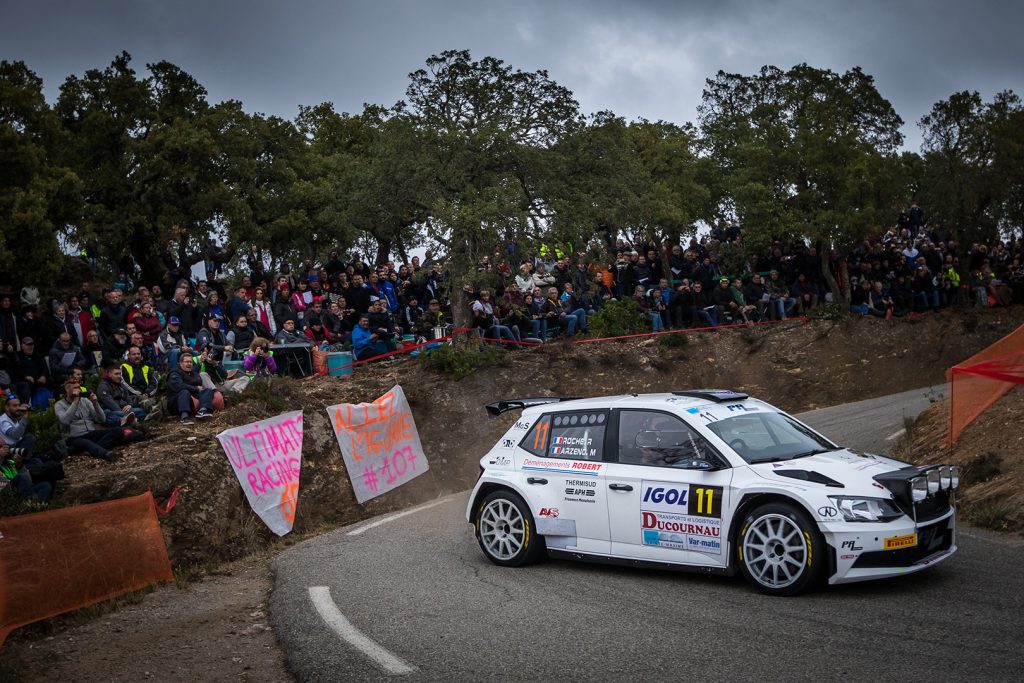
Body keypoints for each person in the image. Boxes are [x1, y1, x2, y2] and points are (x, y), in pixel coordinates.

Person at [54, 381, 125, 461]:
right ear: (67, 389)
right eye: (75, 388)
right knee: (85, 443)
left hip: (91, 433)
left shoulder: (85, 401)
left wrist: (95, 403)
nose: (78, 390)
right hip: (74, 438)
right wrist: (75, 403)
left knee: (118, 431)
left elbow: (101, 419)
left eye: (79, 387)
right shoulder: (59, 405)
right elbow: (65, 421)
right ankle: (106, 454)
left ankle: (91, 450)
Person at [167, 354, 218, 425]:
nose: (189, 364)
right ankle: (184, 417)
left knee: (207, 390)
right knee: (185, 391)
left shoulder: (191, 373)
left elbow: (197, 379)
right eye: (186, 362)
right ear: (181, 363)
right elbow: (178, 386)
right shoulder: (175, 372)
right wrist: (196, 388)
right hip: (176, 402)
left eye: (191, 362)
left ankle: (202, 410)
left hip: (191, 399)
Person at [12, 337, 50, 406]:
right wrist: (26, 376)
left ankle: (53, 404)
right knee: (26, 385)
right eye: (28, 345)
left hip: (38, 379)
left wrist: (43, 376)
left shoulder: (37, 355)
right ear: (22, 346)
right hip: (25, 380)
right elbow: (15, 370)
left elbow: (44, 368)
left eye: (32, 345)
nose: (30, 347)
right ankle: (28, 406)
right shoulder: (17, 355)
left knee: (51, 380)